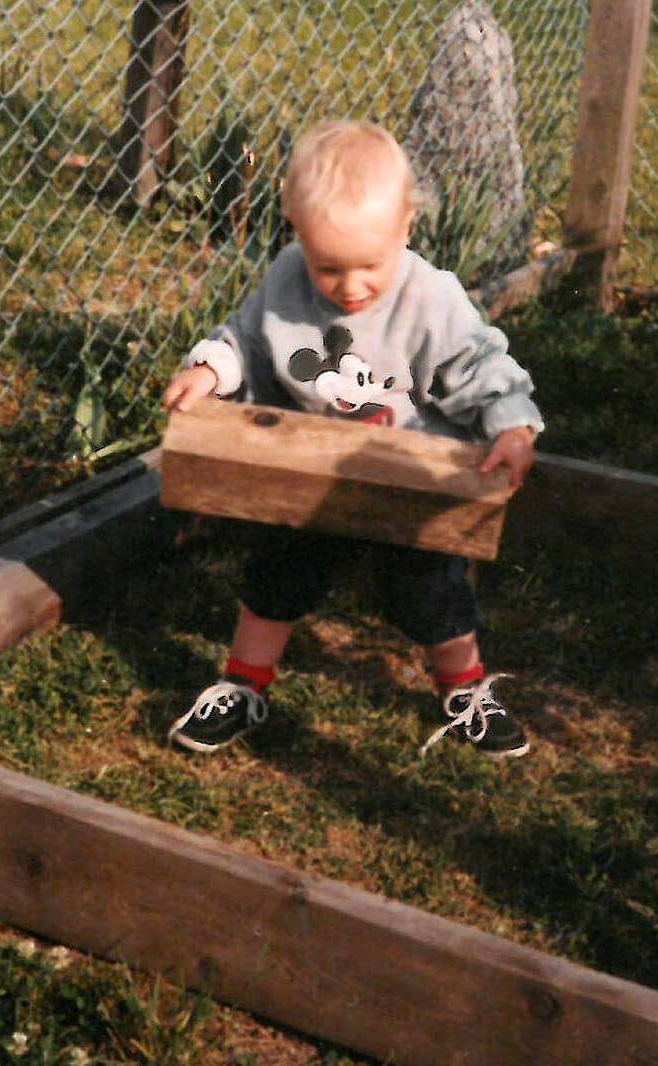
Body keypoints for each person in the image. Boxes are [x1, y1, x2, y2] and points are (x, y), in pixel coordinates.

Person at [160, 119, 544, 759]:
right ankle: (243, 683)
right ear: (297, 235)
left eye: (370, 265)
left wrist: (513, 424)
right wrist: (212, 369)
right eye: (327, 267)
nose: (351, 287)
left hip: (404, 477)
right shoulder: (287, 278)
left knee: (428, 586)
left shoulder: (432, 298)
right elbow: (247, 339)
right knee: (277, 574)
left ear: (406, 230)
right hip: (308, 474)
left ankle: (465, 687)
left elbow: (483, 366)